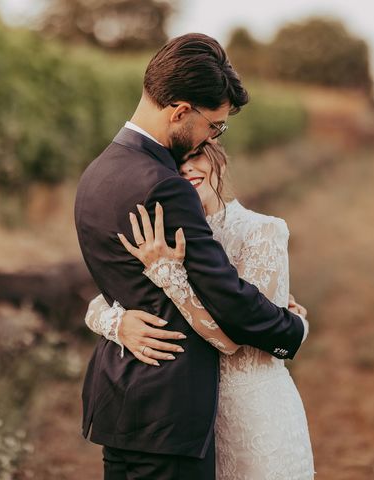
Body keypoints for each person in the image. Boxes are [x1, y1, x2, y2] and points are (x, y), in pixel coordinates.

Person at [74, 32, 308, 479]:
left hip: (117, 403)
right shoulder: (163, 184)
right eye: (213, 125)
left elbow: (118, 283)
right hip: (172, 411)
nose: (213, 136)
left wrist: (115, 319)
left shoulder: (97, 173)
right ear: (180, 111)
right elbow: (225, 296)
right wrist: (292, 329)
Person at [85, 143, 315, 479]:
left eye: (196, 157)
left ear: (220, 159)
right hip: (191, 413)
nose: (187, 169)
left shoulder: (261, 230)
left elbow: (233, 339)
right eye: (177, 163)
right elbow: (101, 299)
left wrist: (169, 274)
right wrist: (118, 324)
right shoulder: (164, 234)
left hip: (252, 410)